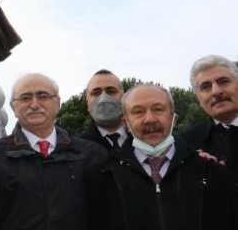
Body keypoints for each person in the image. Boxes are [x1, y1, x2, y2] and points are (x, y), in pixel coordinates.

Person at [0, 73, 107, 230]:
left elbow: (106, 215)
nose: (35, 104)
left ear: (57, 103)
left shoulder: (91, 154)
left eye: (43, 96)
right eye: (25, 98)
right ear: (13, 107)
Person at [90, 84, 238, 230]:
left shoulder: (211, 172)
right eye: (138, 112)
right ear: (126, 124)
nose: (150, 119)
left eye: (158, 109)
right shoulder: (105, 179)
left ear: (174, 118)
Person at [180, 54, 238, 179]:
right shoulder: (184, 146)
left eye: (223, 82)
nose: (216, 92)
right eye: (206, 87)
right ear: (198, 99)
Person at [79, 69, 131, 152]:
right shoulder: (76, 150)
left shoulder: (145, 140)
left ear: (124, 99)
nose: (103, 99)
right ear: (88, 103)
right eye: (96, 93)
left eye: (111, 91)